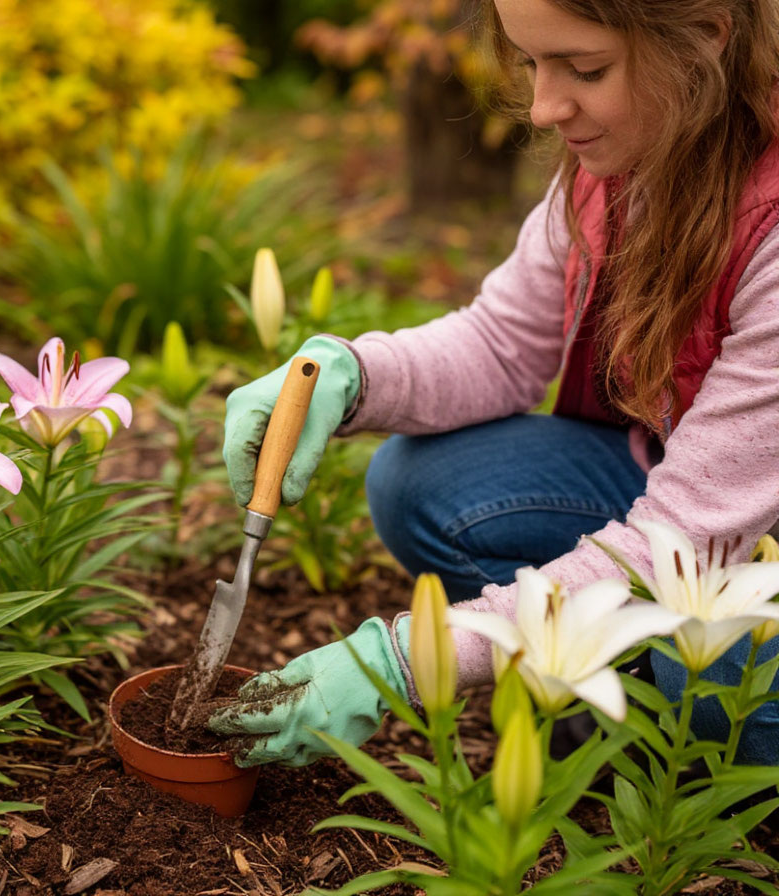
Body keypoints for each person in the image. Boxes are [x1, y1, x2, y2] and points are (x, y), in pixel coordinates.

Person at [208, 0, 779, 768]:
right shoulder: (627, 162)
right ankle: (607, 686)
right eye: (533, 62)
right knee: (423, 484)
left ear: (705, 40)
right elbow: (503, 344)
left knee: (706, 660)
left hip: (725, 537)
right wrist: (350, 376)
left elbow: (681, 546)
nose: (543, 108)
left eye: (586, 69)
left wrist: (410, 659)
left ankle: (664, 736)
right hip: (716, 515)